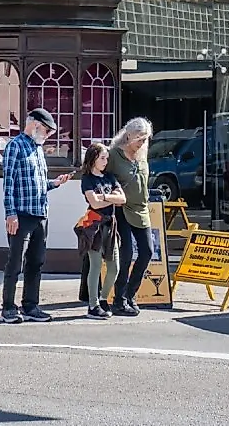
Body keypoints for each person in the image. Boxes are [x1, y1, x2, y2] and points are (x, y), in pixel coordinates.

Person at [0, 107, 56, 323]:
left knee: (36, 262)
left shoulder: (37, 148)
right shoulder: (15, 146)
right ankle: (8, 308)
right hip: (21, 215)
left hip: (40, 214)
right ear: (35, 125)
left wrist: (54, 183)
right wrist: (10, 213)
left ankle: (30, 306)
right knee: (15, 263)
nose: (48, 135)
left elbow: (37, 184)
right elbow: (9, 183)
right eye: (47, 130)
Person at [108, 117, 156, 315]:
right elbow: (103, 177)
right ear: (128, 135)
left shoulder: (142, 154)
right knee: (126, 254)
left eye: (145, 139)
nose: (142, 144)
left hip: (141, 208)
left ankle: (130, 295)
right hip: (122, 210)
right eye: (139, 139)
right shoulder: (114, 155)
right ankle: (119, 300)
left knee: (147, 251)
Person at [75, 141, 124, 317]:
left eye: (107, 158)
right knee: (95, 265)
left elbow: (123, 199)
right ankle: (93, 305)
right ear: (93, 158)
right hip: (94, 226)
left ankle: (103, 298)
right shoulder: (87, 179)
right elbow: (94, 203)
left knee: (114, 267)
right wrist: (112, 198)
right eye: (102, 157)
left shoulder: (110, 177)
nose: (105, 161)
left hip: (110, 225)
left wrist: (104, 196)